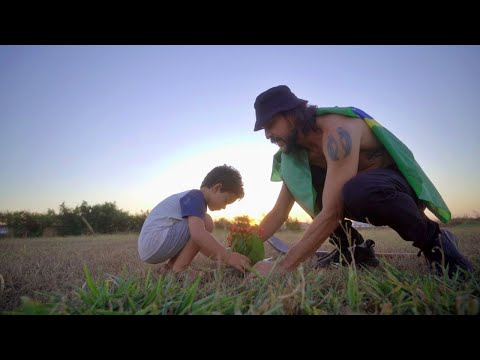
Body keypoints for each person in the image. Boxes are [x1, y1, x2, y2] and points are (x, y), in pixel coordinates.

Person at [252, 85, 473, 278]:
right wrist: (244, 244)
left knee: (360, 190)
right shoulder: (295, 157)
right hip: (357, 194)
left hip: (396, 189)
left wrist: (282, 267)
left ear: (292, 115)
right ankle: (353, 250)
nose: (267, 135)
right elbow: (279, 213)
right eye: (264, 129)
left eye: (271, 124)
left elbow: (332, 212)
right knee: (309, 185)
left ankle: (436, 244)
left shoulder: (336, 131)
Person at [138, 164, 251, 275]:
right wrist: (227, 256)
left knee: (200, 224)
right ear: (217, 188)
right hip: (155, 241)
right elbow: (198, 235)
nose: (224, 207)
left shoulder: (194, 200)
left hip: (153, 245)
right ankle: (180, 269)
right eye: (226, 200)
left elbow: (197, 243)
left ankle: (169, 267)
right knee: (206, 222)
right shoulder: (196, 197)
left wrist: (220, 257)